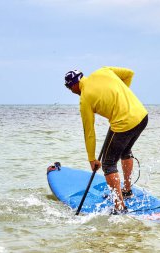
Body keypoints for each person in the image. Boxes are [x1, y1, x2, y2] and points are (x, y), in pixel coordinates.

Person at [64, 66, 148, 214]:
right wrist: (120, 101)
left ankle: (120, 207)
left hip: (124, 123)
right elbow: (129, 74)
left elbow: (89, 132)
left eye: (71, 89)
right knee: (125, 151)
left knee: (108, 164)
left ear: (74, 85)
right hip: (142, 116)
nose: (72, 92)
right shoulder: (103, 71)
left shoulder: (85, 100)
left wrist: (92, 159)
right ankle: (127, 190)